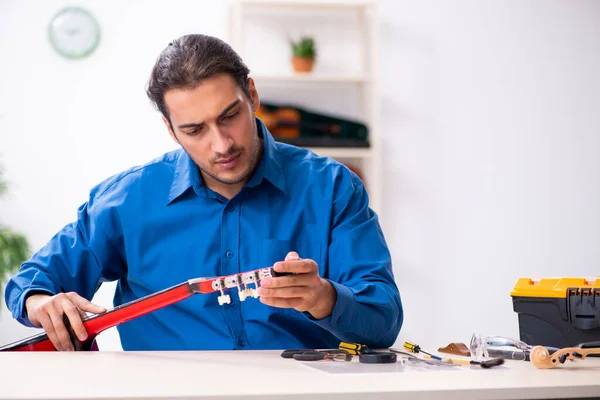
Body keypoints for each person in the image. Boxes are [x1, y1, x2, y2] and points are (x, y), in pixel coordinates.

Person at [5, 34, 403, 352]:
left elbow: (383, 320)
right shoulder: (126, 200)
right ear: (170, 128)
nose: (221, 145)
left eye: (229, 116)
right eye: (195, 130)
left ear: (252, 96)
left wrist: (323, 299)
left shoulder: (332, 187)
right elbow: (31, 283)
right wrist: (42, 302)